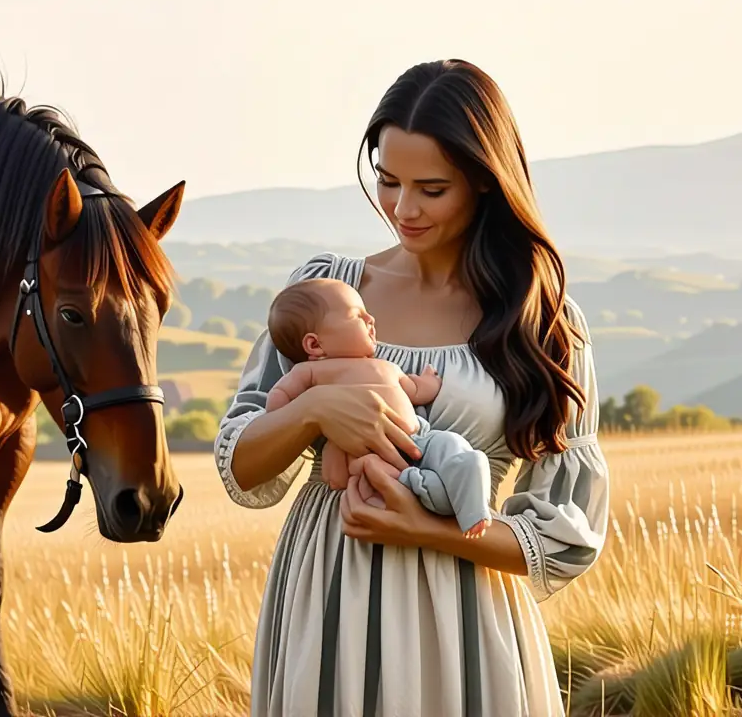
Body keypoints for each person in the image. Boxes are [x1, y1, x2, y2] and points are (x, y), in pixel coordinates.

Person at [213, 58, 610, 717]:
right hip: (326, 593)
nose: (402, 208)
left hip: (465, 612)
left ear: (484, 183)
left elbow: (568, 536)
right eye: (388, 181)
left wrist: (430, 529)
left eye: (431, 188)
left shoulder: (544, 321)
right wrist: (314, 406)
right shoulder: (325, 293)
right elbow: (242, 470)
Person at [262, 276, 494, 538]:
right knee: (368, 472)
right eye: (356, 316)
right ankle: (418, 486)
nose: (371, 320)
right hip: (365, 450)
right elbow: (281, 394)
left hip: (421, 440)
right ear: (315, 344)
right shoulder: (312, 372)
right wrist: (282, 412)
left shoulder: (385, 366)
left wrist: (430, 381)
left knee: (452, 444)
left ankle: (466, 488)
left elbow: (415, 390)